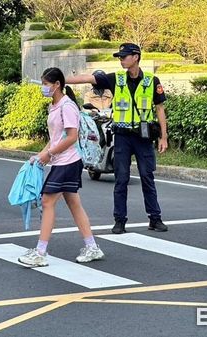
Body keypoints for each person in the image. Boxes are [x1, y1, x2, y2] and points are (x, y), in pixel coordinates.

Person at [67, 42, 169, 234]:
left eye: (124, 56)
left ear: (136, 57)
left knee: (148, 177)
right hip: (122, 137)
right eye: (120, 57)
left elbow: (160, 109)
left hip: (143, 138)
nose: (121, 60)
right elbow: (88, 78)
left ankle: (155, 218)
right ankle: (119, 221)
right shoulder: (116, 79)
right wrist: (61, 79)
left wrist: (163, 137)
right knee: (121, 179)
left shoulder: (152, 81)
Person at [18, 67, 105, 267]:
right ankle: (92, 247)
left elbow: (72, 137)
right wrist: (42, 155)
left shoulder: (67, 106)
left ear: (57, 85)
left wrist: (49, 154)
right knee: (74, 203)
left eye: (46, 84)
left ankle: (40, 252)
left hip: (68, 161)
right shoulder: (54, 106)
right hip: (62, 160)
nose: (43, 88)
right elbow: (55, 138)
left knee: (47, 202)